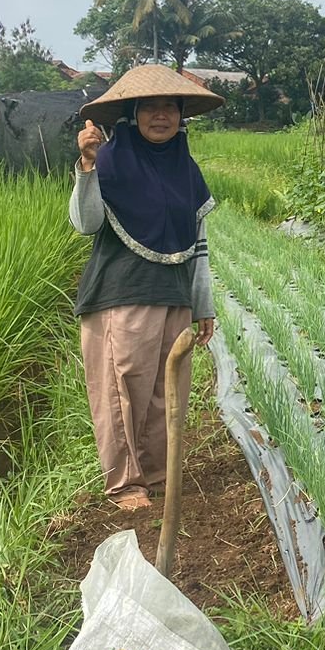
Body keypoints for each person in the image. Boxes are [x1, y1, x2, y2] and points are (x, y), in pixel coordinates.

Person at [70, 65, 224, 511]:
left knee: (166, 393)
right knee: (123, 393)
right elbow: (86, 224)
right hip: (123, 295)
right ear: (133, 115)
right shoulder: (109, 160)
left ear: (181, 116)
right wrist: (87, 166)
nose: (161, 116)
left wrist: (202, 305)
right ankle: (124, 484)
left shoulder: (185, 169)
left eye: (170, 108)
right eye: (150, 108)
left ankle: (157, 475)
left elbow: (198, 244)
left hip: (173, 297)